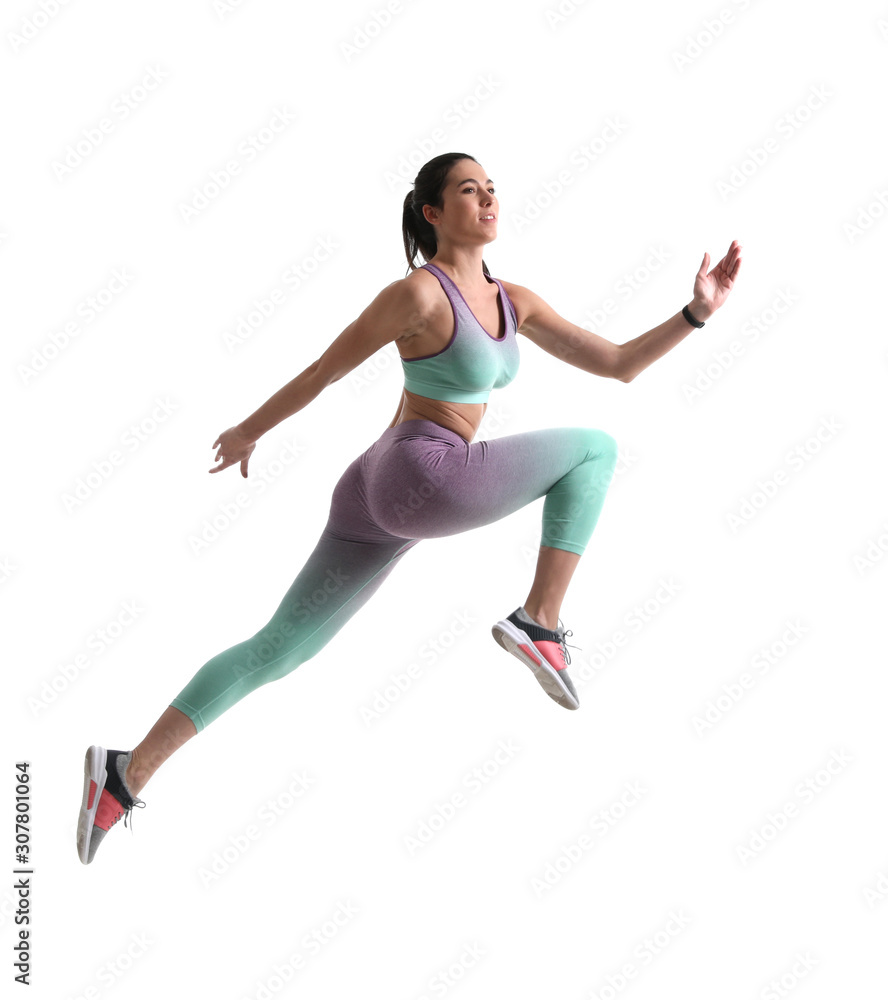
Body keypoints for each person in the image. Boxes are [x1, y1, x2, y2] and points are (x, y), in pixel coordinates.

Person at [76, 151, 742, 864]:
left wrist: (696, 313)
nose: (487, 199)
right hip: (421, 471)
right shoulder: (419, 297)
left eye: (491, 188)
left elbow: (619, 363)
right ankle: (536, 622)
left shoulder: (515, 300)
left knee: (279, 648)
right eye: (468, 190)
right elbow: (324, 371)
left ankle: (122, 773)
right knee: (596, 451)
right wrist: (249, 430)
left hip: (381, 486)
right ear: (433, 212)